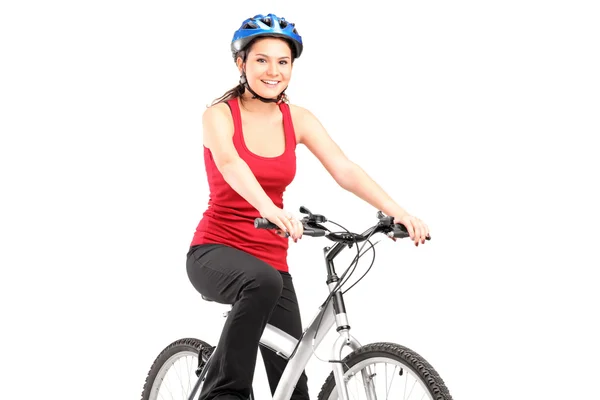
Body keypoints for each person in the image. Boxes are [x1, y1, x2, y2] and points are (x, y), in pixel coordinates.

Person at [186, 13, 430, 400]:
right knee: (259, 282)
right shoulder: (218, 115)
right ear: (241, 63)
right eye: (262, 60)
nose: (273, 71)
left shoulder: (297, 119)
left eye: (283, 62)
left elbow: (344, 169)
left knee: (293, 387)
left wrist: (397, 210)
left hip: (272, 262)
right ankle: (225, 393)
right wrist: (268, 208)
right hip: (214, 251)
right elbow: (231, 164)